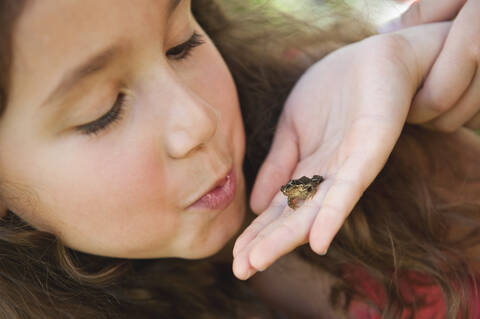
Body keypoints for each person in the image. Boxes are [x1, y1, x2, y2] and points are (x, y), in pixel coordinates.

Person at [0, 0, 479, 318]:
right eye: (103, 111)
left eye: (182, 42)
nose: (199, 120)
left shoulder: (327, 109)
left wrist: (425, 115)